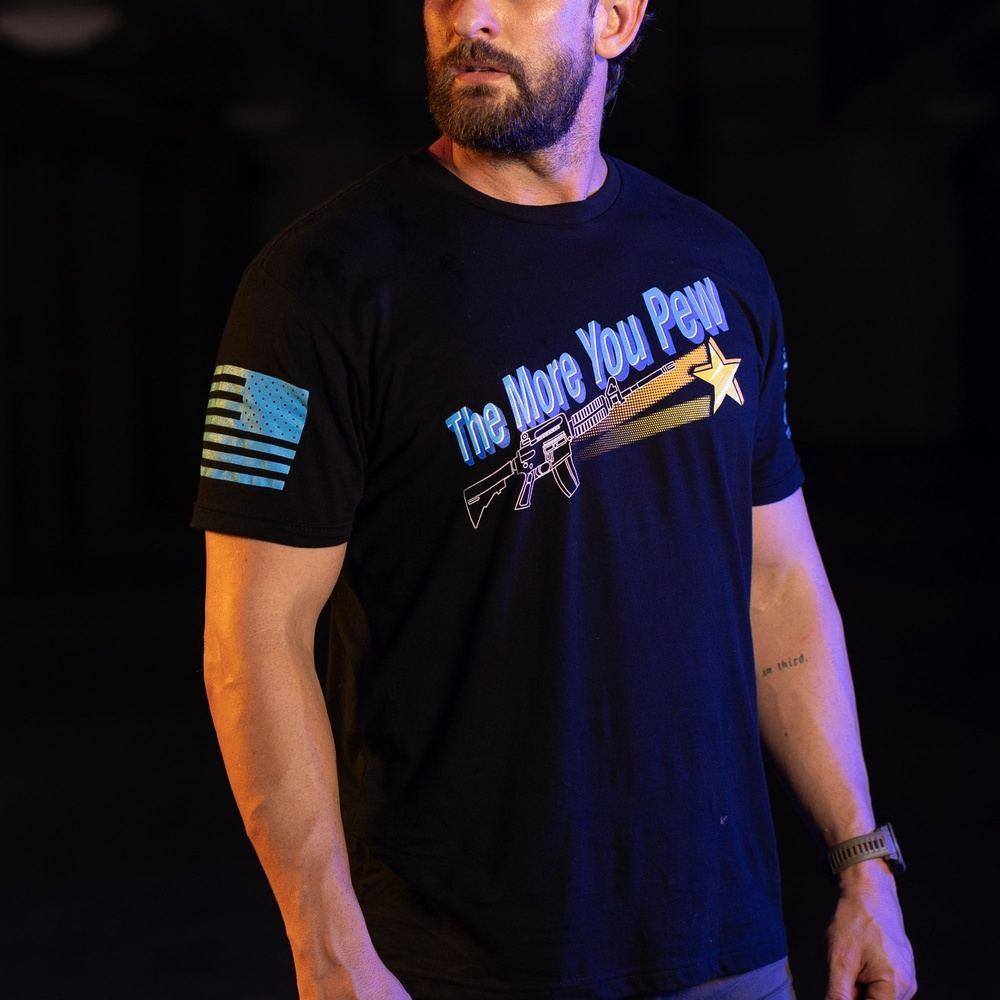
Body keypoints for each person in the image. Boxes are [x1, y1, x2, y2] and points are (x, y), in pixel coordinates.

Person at [190, 2, 918, 998]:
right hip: (448, 960)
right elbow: (254, 634)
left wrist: (862, 860)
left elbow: (780, 584)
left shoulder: (720, 267)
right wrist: (326, 943)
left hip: (724, 943)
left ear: (612, 20)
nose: (471, 17)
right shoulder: (308, 290)